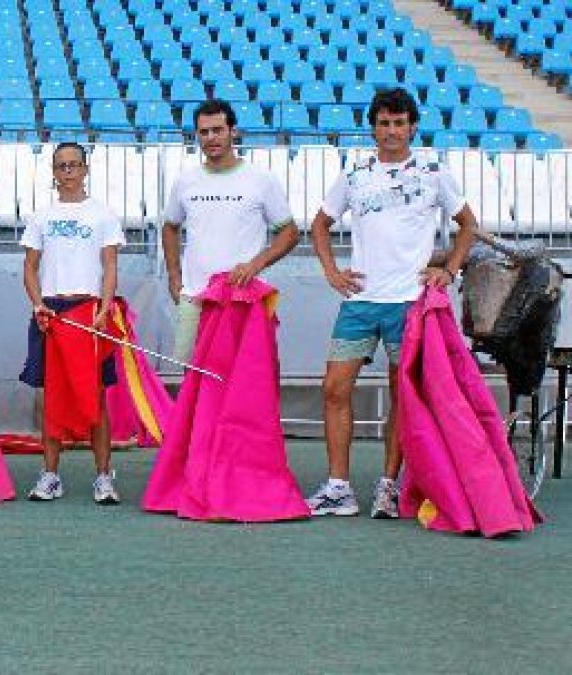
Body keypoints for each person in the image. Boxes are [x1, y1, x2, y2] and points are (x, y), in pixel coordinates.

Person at [304, 88, 478, 518]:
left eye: (399, 123)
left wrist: (449, 270)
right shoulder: (354, 170)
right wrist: (332, 272)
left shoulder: (434, 170)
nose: (392, 131)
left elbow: (468, 226)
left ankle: (388, 486)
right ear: (373, 128)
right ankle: (339, 488)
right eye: (384, 123)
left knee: (403, 396)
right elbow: (320, 225)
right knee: (334, 389)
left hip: (409, 303)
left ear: (412, 126)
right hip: (360, 301)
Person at [19, 142, 125, 505]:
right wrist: (37, 305)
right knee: (51, 395)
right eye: (61, 166)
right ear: (53, 171)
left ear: (85, 170)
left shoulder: (103, 215)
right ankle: (50, 475)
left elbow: (110, 265)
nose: (67, 172)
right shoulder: (41, 216)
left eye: (73, 166)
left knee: (95, 395)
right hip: (51, 313)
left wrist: (105, 308)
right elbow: (30, 268)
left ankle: (103, 476)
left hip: (90, 313)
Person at [161, 99, 300, 362]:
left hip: (241, 298)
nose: (211, 138)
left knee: (242, 380)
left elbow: (290, 233)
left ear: (233, 131)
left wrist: (254, 265)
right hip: (194, 297)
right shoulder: (185, 181)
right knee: (194, 379)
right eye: (204, 132)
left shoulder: (261, 180)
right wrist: (173, 276)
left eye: (218, 130)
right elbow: (170, 227)